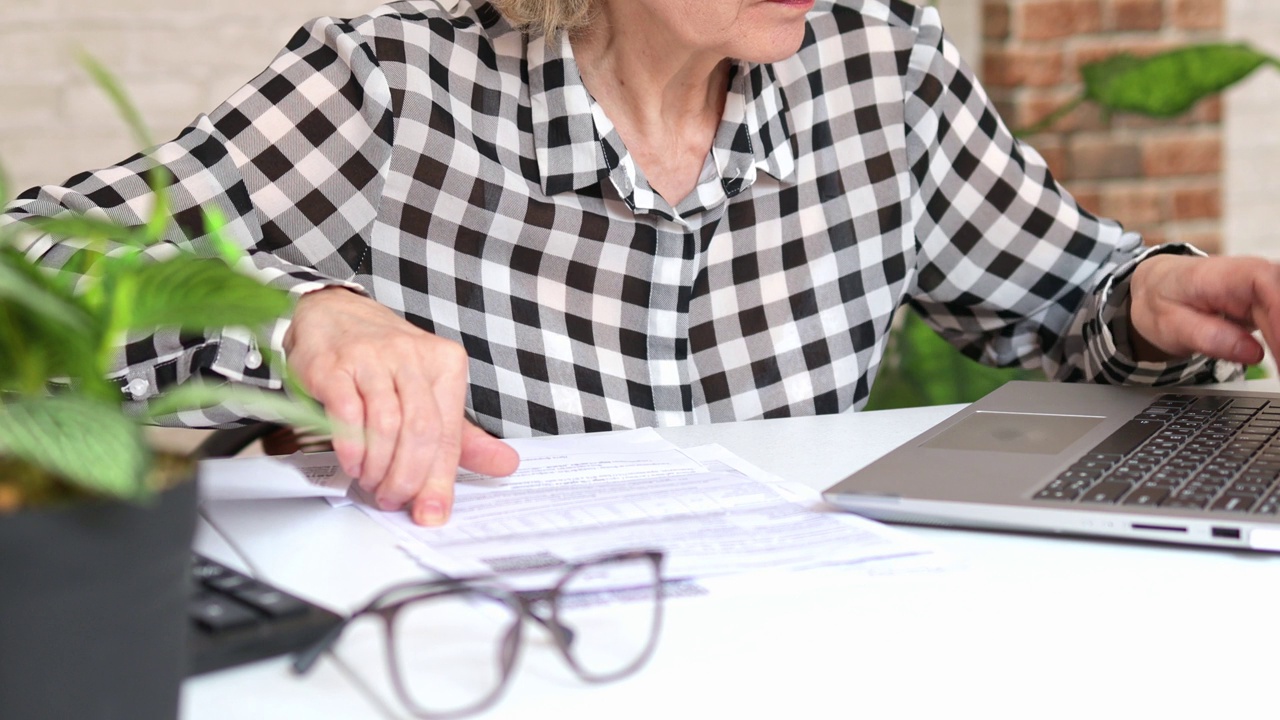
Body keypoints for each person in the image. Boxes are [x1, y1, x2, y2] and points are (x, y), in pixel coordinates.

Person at [4, 0, 1279, 528]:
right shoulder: (395, 82)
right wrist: (299, 317)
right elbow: (37, 260)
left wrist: (1152, 297)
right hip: (481, 667)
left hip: (799, 649)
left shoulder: (875, 64)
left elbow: (1062, 292)